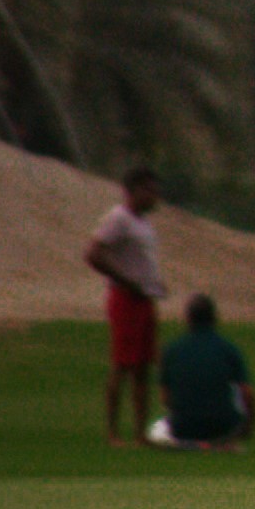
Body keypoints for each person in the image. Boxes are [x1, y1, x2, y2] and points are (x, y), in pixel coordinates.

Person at [84, 170, 169, 446]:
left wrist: (154, 283)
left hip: (145, 299)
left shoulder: (143, 223)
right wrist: (126, 281)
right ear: (135, 190)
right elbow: (93, 254)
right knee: (121, 365)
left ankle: (140, 433)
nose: (155, 196)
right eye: (150, 190)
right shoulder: (118, 218)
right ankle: (113, 432)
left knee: (143, 367)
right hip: (126, 299)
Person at [152, 293, 255, 450]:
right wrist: (248, 426)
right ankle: (222, 442)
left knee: (157, 428)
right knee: (236, 391)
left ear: (188, 319)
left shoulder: (172, 351)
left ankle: (191, 442)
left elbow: (165, 398)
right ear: (214, 318)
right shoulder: (228, 349)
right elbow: (247, 394)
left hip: (183, 427)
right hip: (223, 427)